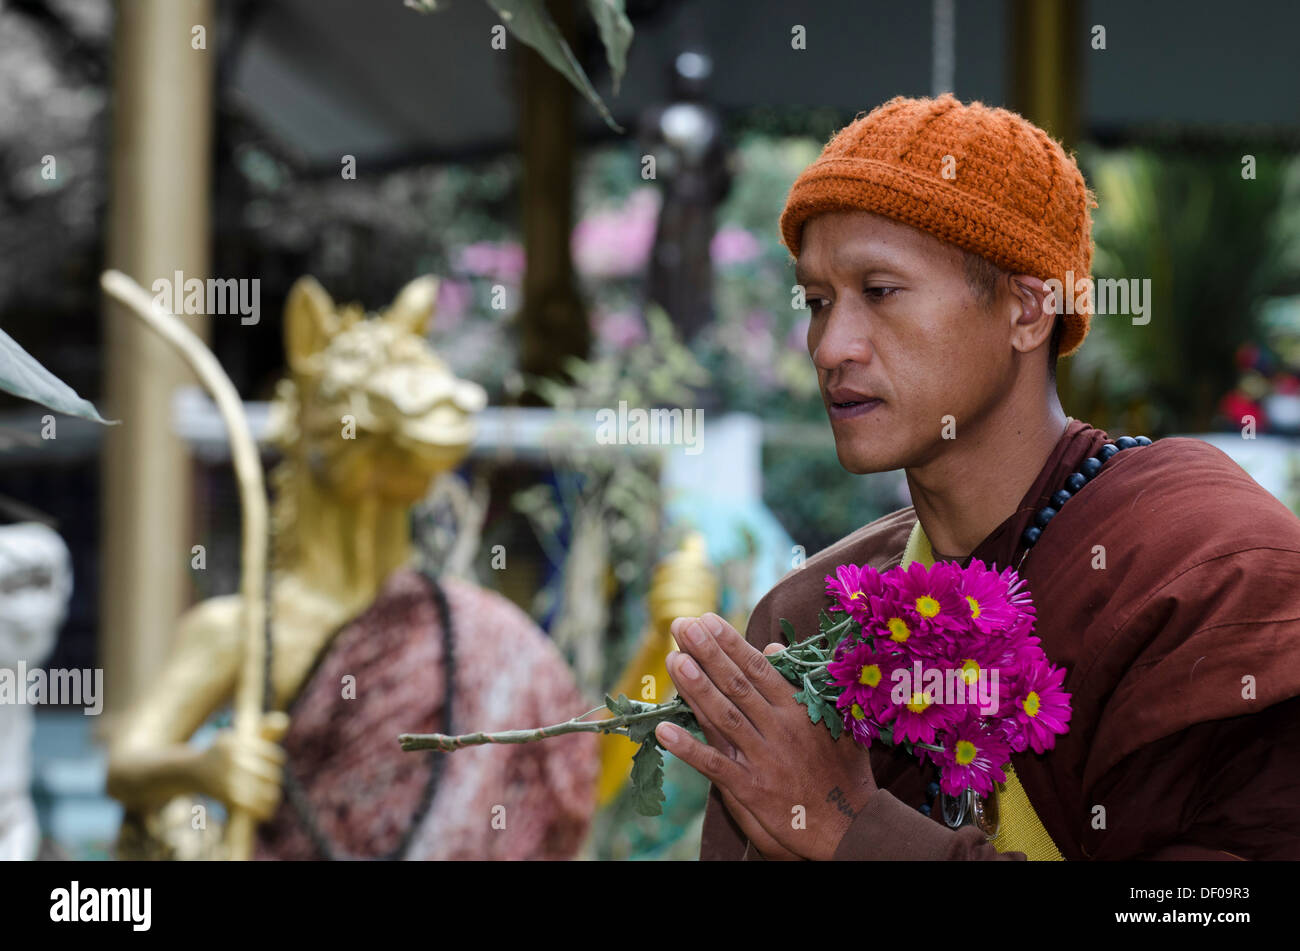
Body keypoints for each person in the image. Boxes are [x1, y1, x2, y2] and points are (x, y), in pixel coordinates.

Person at [654, 93, 1300, 861]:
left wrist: (856, 829)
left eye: (881, 291)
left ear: (1028, 310)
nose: (830, 346)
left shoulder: (1201, 570)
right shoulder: (808, 620)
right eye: (818, 302)